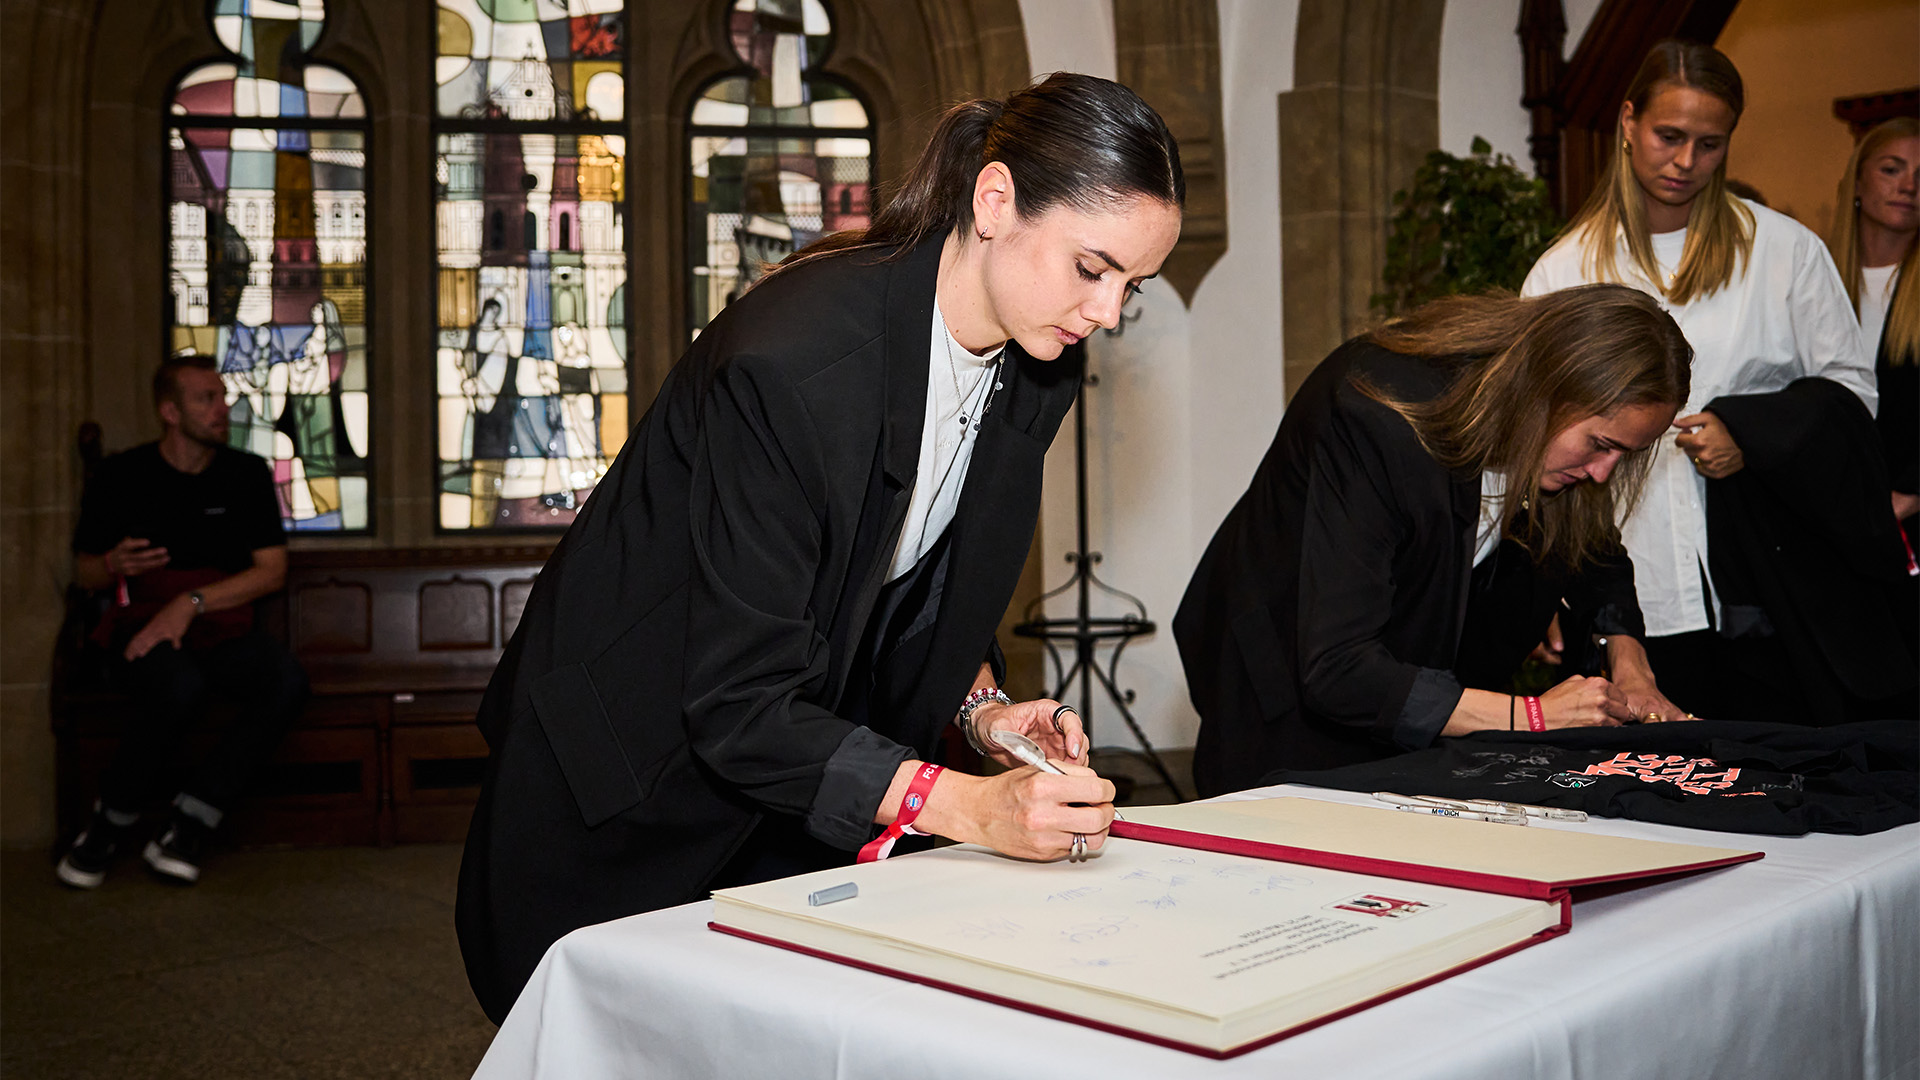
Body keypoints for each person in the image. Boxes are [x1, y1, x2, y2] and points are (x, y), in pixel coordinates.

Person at [456, 72, 1184, 1024]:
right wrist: (969, 807)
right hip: (630, 769)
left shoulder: (1038, 363)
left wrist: (985, 713)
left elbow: (903, 572)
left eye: (1136, 283)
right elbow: (735, 694)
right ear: (995, 200)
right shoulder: (795, 360)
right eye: (1093, 268)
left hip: (790, 769)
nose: (1110, 312)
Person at [1175, 285, 1691, 798]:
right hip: (1287, 701)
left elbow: (1596, 553)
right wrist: (1535, 716)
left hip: (1414, 697)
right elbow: (1339, 668)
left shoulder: (1564, 449)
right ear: (1545, 390)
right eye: (1600, 445)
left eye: (1625, 454)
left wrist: (1630, 663)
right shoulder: (1382, 415)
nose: (1604, 473)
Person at [1521, 41, 1899, 726]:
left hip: (1767, 583)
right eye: (1669, 137)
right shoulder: (1564, 270)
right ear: (1629, 122)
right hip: (1626, 589)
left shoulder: (1783, 250)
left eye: (1710, 144)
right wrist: (1545, 588)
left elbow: (1851, 393)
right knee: (1637, 801)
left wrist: (1750, 434)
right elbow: (1534, 438)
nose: (1685, 162)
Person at [58, 355, 307, 888]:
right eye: (207, 399)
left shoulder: (245, 474)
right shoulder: (122, 475)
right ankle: (109, 823)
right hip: (141, 630)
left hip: (221, 625)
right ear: (170, 411)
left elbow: (271, 572)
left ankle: (192, 820)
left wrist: (191, 603)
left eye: (222, 397)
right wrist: (110, 566)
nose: (223, 408)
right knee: (177, 687)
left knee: (284, 679)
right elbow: (83, 572)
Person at [1827, 117, 1918, 532]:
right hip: (1826, 517)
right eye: (1891, 169)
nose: (1909, 186)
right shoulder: (1812, 278)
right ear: (1858, 183)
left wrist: (1910, 493)